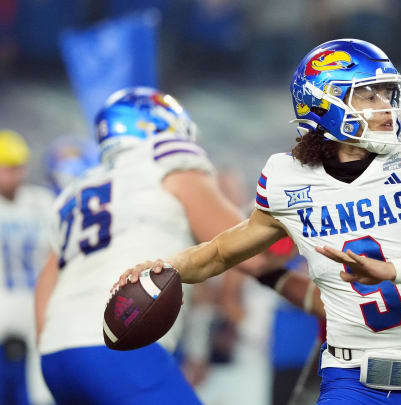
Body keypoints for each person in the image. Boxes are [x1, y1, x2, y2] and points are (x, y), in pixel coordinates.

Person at [116, 38, 401, 404]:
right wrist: (165, 268)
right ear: (326, 102)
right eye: (368, 94)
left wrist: (394, 270)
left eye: (387, 93)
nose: (386, 105)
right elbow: (220, 252)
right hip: (353, 380)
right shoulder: (288, 179)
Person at [34, 87, 320, 405]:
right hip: (121, 343)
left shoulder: (75, 190)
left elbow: (46, 285)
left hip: (55, 355)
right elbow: (255, 255)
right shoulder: (167, 162)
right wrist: (304, 223)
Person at [0, 129, 55, 405]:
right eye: (5, 168)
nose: (12, 175)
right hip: (3, 301)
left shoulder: (42, 202)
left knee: (40, 394)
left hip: (36, 303)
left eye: (16, 168)